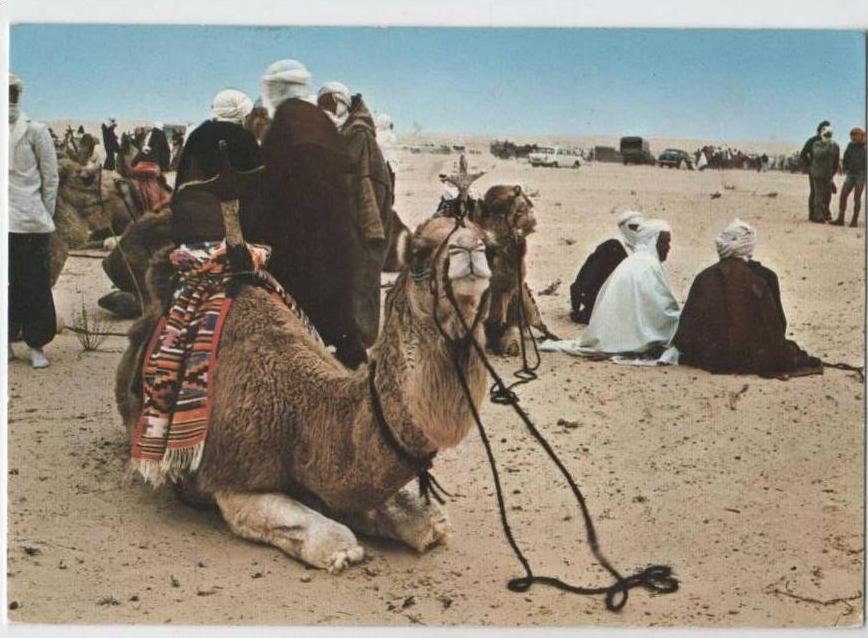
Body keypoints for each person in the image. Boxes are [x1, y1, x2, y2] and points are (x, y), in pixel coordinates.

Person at [244, 59, 366, 368]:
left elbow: (270, 190)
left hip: (299, 249)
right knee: (338, 328)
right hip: (336, 245)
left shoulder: (287, 124)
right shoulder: (319, 122)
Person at [674, 220, 820, 377]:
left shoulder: (704, 277)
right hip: (753, 356)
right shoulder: (763, 277)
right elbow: (777, 328)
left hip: (711, 356)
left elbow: (685, 334)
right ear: (749, 246)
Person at [317, 81, 394, 347]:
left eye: (328, 104)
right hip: (337, 225)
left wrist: (370, 230)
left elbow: (369, 187)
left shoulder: (360, 137)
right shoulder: (331, 135)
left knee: (359, 284)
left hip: (359, 228)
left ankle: (360, 340)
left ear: (342, 105)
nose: (324, 110)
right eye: (321, 104)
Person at [542, 219, 679, 358]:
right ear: (652, 241)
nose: (668, 247)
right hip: (628, 334)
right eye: (664, 242)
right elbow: (661, 311)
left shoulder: (637, 260)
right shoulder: (648, 264)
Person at [8, 72, 58, 369]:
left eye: (12, 94)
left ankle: (36, 345)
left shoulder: (35, 131)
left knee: (35, 284)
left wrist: (45, 213)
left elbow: (50, 178)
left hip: (31, 221)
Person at [170, 88, 263, 244]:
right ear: (240, 111)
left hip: (188, 220)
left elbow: (182, 176)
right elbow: (257, 182)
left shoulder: (197, 134)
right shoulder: (244, 137)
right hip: (235, 227)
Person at [569, 211, 644, 323]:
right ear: (623, 227)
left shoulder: (635, 248)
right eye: (634, 227)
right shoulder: (612, 247)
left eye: (641, 228)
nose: (637, 231)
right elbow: (591, 278)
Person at [834, 127, 866, 227]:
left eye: (854, 136)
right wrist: (846, 168)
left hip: (861, 175)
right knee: (843, 195)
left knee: (857, 197)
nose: (852, 138)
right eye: (851, 136)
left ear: (860, 136)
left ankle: (854, 220)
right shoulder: (850, 146)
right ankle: (840, 218)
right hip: (850, 174)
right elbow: (846, 157)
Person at [808, 124, 840, 223]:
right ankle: (818, 216)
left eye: (829, 134)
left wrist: (832, 173)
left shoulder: (835, 146)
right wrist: (828, 145)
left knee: (827, 196)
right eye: (826, 134)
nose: (827, 136)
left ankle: (825, 214)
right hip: (817, 174)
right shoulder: (817, 144)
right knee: (818, 196)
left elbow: (836, 161)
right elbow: (818, 154)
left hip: (828, 175)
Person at [801, 120, 831, 221]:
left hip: (826, 172)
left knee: (826, 192)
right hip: (815, 171)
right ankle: (813, 215)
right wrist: (809, 165)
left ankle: (824, 213)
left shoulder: (829, 141)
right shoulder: (812, 141)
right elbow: (803, 154)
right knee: (814, 192)